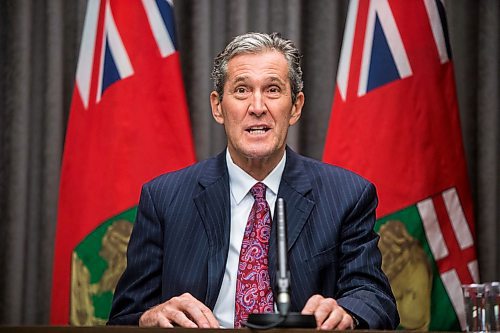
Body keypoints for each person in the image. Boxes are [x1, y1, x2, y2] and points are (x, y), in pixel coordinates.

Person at [107, 32, 399, 330]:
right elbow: (124, 317)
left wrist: (347, 313)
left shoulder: (346, 195)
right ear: (218, 107)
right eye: (242, 90)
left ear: (295, 107)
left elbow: (375, 298)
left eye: (273, 90)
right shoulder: (164, 198)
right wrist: (150, 316)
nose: (257, 106)